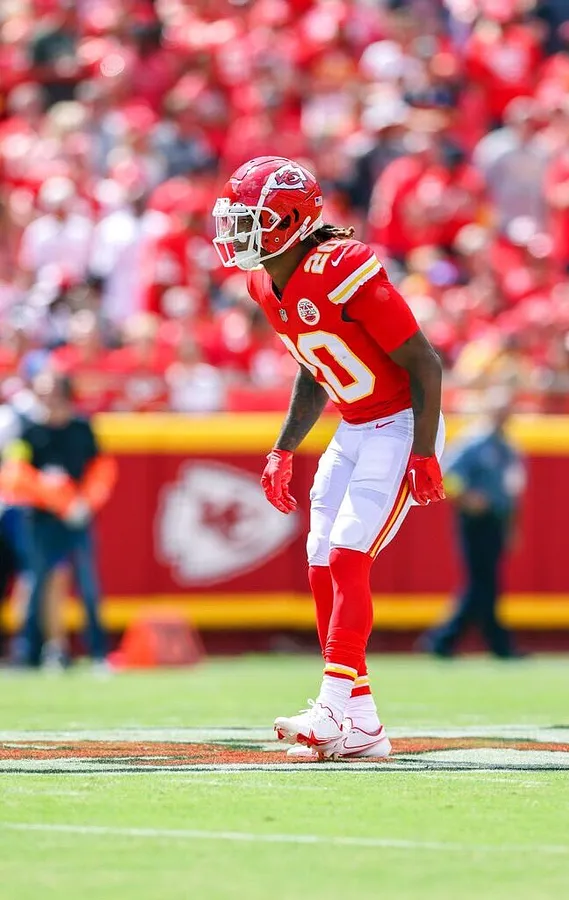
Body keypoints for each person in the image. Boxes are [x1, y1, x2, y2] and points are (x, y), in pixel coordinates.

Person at [212, 156, 445, 759]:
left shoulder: (342, 266)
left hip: (398, 425)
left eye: (251, 219)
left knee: (347, 551)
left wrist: (423, 451)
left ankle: (333, 702)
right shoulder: (264, 281)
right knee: (320, 559)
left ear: (290, 220)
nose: (239, 232)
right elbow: (314, 370)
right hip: (353, 426)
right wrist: (284, 448)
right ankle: (360, 723)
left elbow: (424, 361)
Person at [0, 372, 117, 668]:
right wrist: (57, 498)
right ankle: (26, 654)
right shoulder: (27, 429)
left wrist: (84, 502)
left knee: (89, 586)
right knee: (35, 582)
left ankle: (98, 654)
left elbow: (101, 468)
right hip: (39, 519)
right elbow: (14, 474)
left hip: (77, 519)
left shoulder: (81, 427)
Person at [419, 391, 527, 659]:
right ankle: (451, 639)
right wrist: (468, 498)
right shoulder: (474, 443)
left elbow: (512, 492)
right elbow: (446, 476)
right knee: (482, 583)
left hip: (496, 522)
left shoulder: (509, 448)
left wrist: (512, 527)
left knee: (485, 583)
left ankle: (460, 640)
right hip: (475, 521)